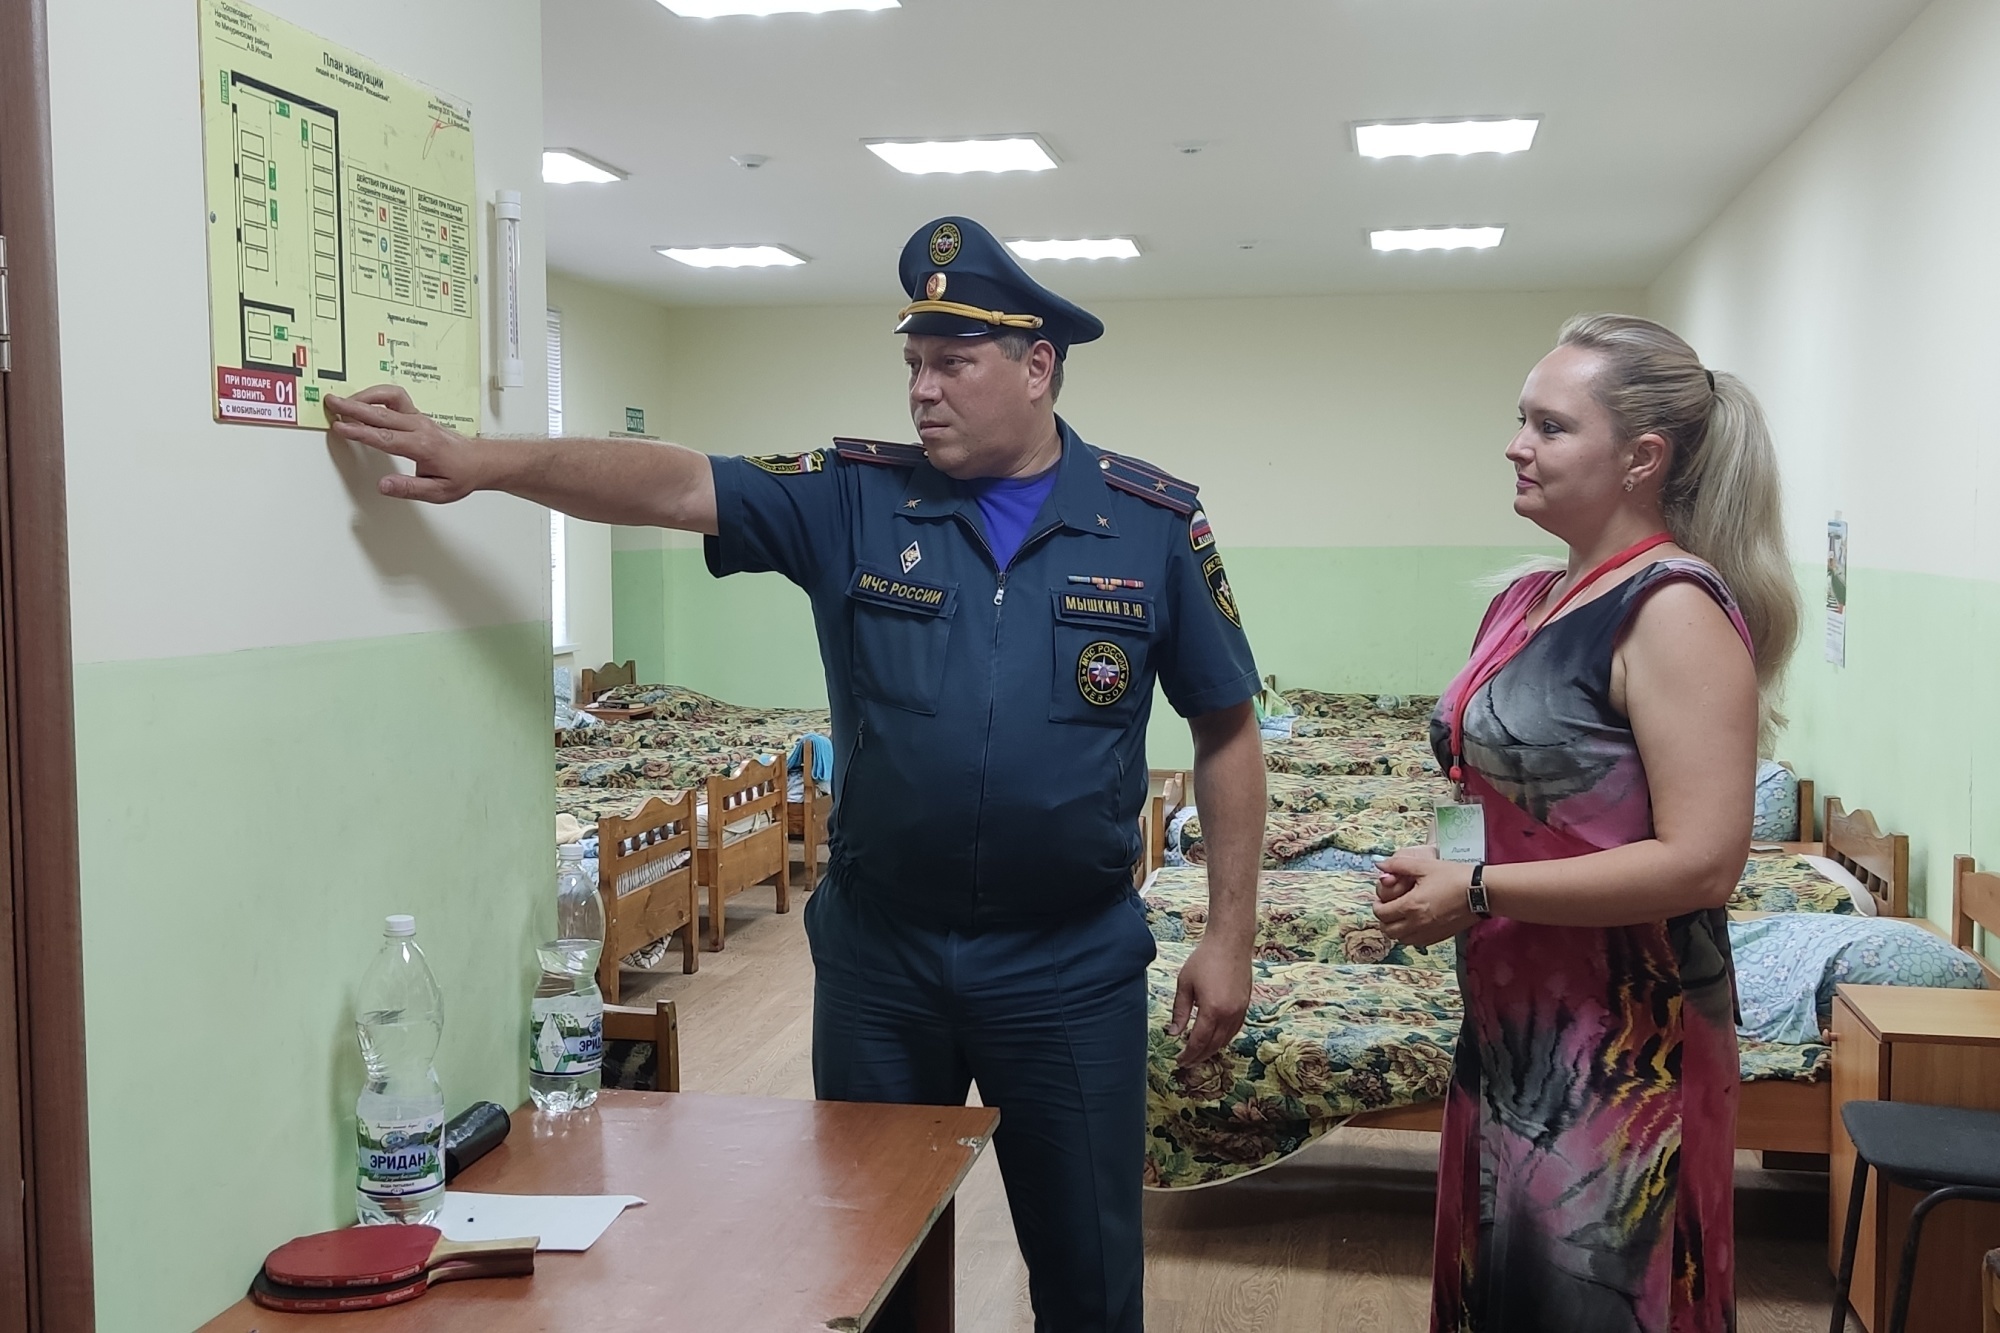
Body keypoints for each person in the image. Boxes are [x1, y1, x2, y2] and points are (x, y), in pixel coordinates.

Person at [325, 216, 1267, 1332]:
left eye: (953, 363)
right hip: (884, 964)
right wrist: (486, 462)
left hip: (1065, 966)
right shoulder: (853, 499)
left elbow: (1224, 728)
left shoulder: (1149, 523)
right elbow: (674, 483)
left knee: (1090, 1274)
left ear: (1036, 367)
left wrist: (1228, 931)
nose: (922, 389)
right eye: (912, 361)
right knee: (863, 1264)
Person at [1372, 313, 1800, 1333]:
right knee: (1504, 1287)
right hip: (1511, 1020)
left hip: (1623, 1042)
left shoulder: (1671, 611)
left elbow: (1700, 862)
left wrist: (1473, 890)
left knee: (1593, 1298)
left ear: (1642, 458)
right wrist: (1447, 859)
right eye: (1520, 420)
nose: (1516, 444)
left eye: (1549, 426)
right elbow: (1478, 776)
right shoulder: (1524, 600)